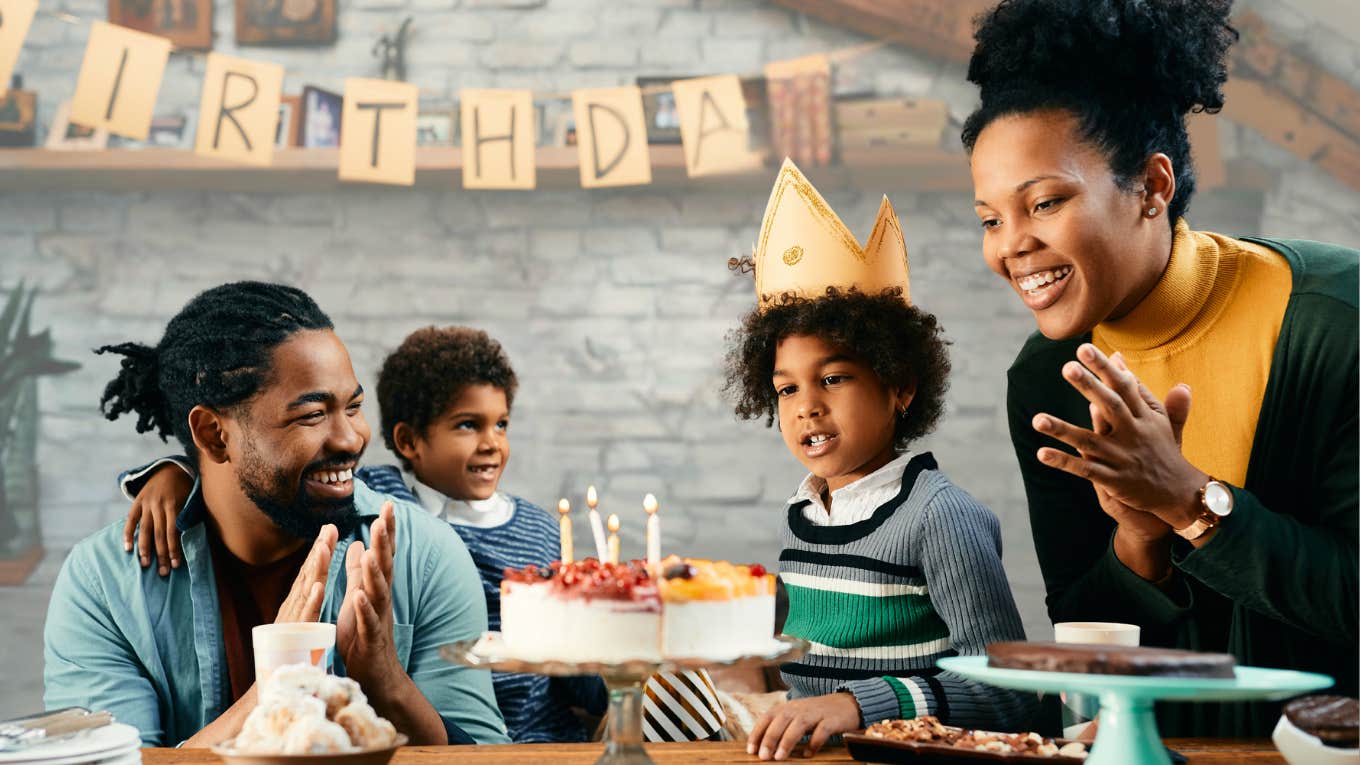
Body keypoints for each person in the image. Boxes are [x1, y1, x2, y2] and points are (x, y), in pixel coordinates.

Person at [964, 0, 1358, 737]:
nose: (1011, 246)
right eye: (991, 218)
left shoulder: (1337, 323)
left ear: (1152, 185)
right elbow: (1087, 636)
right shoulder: (1046, 382)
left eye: (1044, 202)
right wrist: (1138, 544)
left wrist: (1191, 503)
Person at [119, 324, 728, 744]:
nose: (491, 442)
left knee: (684, 688)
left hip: (544, 732)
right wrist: (172, 474)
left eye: (501, 424)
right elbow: (276, 476)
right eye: (468, 425)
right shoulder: (385, 501)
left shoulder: (541, 530)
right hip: (462, 732)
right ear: (409, 443)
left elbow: (573, 650)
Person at [43, 282, 508, 747]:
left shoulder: (424, 556)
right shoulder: (104, 583)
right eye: (311, 415)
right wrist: (275, 686)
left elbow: (488, 760)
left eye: (354, 407)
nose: (351, 439)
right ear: (214, 434)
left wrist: (387, 684)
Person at [728, 160, 1036, 761]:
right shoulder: (807, 507)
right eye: (787, 388)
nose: (806, 408)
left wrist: (856, 705)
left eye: (834, 378)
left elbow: (1008, 695)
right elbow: (817, 655)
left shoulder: (939, 516)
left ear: (900, 387)